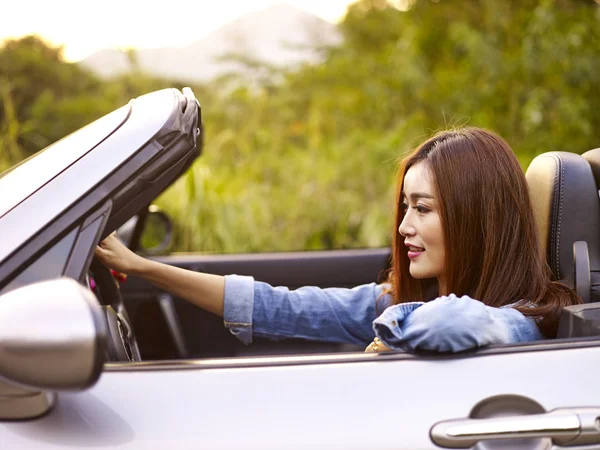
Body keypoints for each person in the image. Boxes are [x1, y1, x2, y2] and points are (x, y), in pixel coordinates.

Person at [95, 127, 580, 354]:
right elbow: (274, 306)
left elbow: (456, 324)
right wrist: (143, 268)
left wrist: (384, 335)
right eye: (404, 207)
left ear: (478, 220)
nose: (404, 227)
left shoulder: (523, 324)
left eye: (424, 209)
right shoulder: (409, 301)